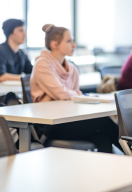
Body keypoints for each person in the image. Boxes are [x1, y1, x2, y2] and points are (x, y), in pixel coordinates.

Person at [30, 24, 122, 153]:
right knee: (103, 122)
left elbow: (73, 96)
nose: (74, 45)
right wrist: (75, 94)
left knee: (103, 138)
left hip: (71, 119)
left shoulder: (72, 67)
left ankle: (105, 171)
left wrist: (73, 94)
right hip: (51, 125)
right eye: (69, 41)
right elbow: (61, 93)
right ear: (55, 44)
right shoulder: (42, 64)